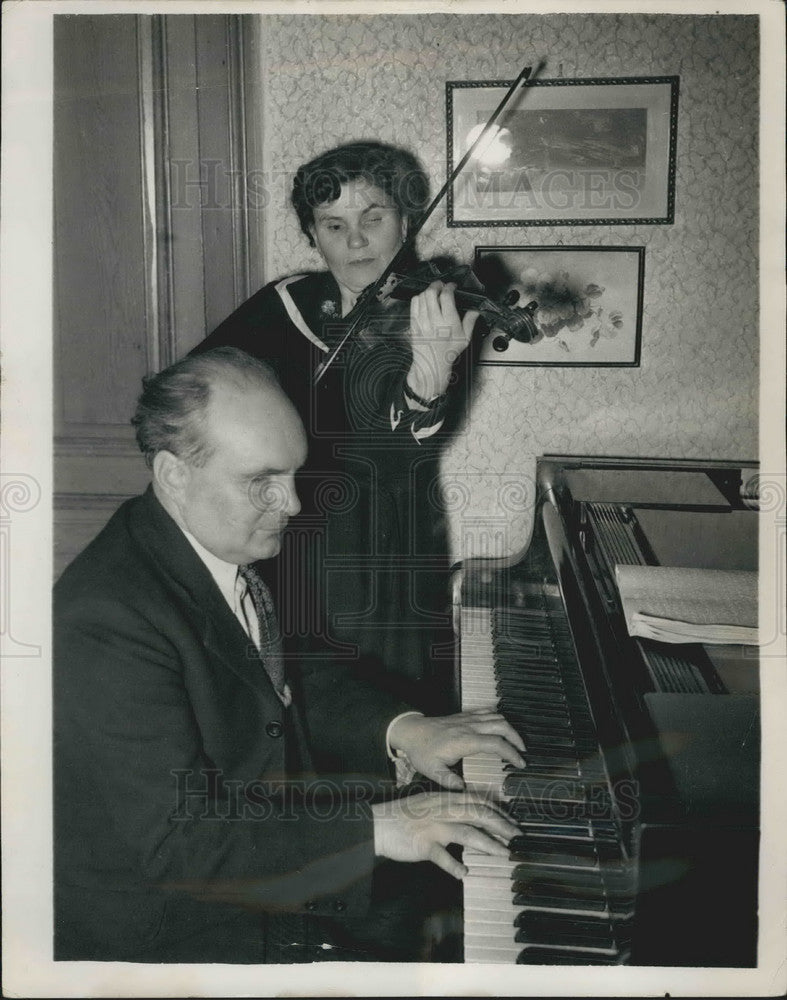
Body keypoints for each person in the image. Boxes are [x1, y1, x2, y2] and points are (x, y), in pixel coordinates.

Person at [53, 347, 524, 964]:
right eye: (263, 482)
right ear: (173, 474)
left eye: (294, 475)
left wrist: (405, 730)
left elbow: (281, 679)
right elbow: (178, 843)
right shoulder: (105, 618)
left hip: (256, 850)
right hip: (168, 933)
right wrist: (381, 829)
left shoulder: (211, 542)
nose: (294, 504)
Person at [193, 141, 480, 715]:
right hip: (280, 536)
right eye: (334, 224)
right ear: (313, 235)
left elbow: (399, 448)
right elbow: (197, 391)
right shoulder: (285, 303)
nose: (355, 240)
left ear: (405, 223)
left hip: (374, 539)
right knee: (279, 691)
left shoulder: (435, 313)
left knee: (373, 702)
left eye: (373, 218)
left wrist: (429, 373)